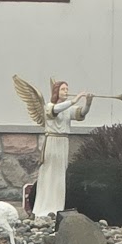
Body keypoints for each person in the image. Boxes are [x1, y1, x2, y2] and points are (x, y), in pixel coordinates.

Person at [32, 80, 93, 220]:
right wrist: (74, 100)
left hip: (63, 142)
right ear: (56, 92)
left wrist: (88, 103)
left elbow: (81, 113)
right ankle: (43, 208)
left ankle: (57, 207)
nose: (66, 91)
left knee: (60, 176)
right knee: (49, 174)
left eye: (67, 89)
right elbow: (56, 110)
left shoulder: (68, 109)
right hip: (52, 142)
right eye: (63, 89)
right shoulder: (49, 106)